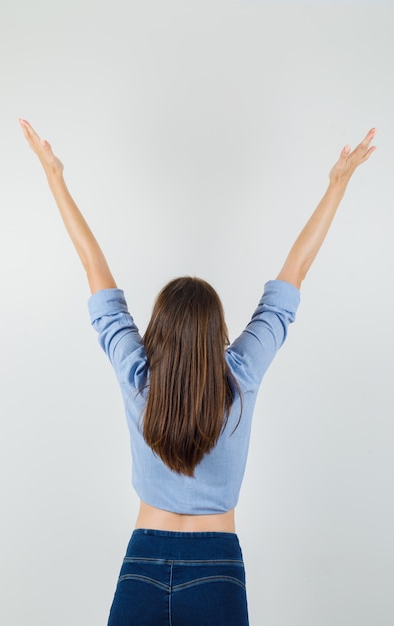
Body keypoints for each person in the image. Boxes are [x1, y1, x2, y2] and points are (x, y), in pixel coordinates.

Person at [19, 119, 376, 626]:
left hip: (142, 560)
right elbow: (292, 276)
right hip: (219, 566)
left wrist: (55, 176)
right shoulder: (241, 372)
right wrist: (337, 182)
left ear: (158, 328)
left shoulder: (138, 375)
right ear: (217, 330)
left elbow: (94, 271)